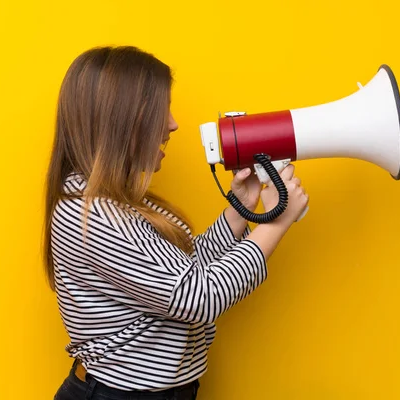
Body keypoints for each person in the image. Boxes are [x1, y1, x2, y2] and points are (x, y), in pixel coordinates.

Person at [44, 45, 309, 400]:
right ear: (120, 120)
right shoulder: (92, 214)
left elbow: (182, 272)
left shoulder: (115, 202)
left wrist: (241, 210)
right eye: (160, 111)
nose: (173, 124)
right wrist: (276, 225)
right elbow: (198, 296)